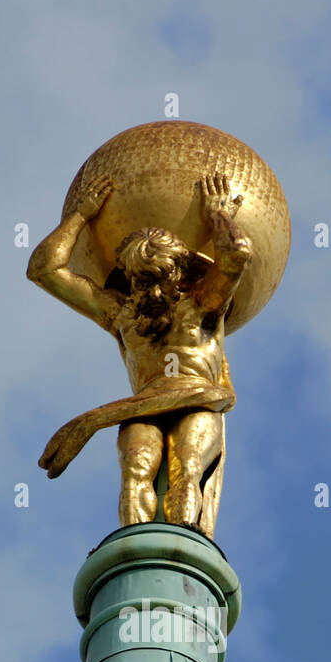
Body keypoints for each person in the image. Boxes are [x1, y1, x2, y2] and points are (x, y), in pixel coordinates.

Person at [27, 172, 251, 538]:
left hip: (198, 404)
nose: (150, 289)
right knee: (135, 471)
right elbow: (44, 270)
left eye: (158, 277)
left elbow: (237, 254)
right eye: (140, 280)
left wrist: (217, 216)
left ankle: (181, 550)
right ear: (129, 279)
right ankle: (135, 547)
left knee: (188, 469)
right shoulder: (123, 315)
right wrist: (79, 217)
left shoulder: (202, 306)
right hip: (142, 408)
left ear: (180, 274)